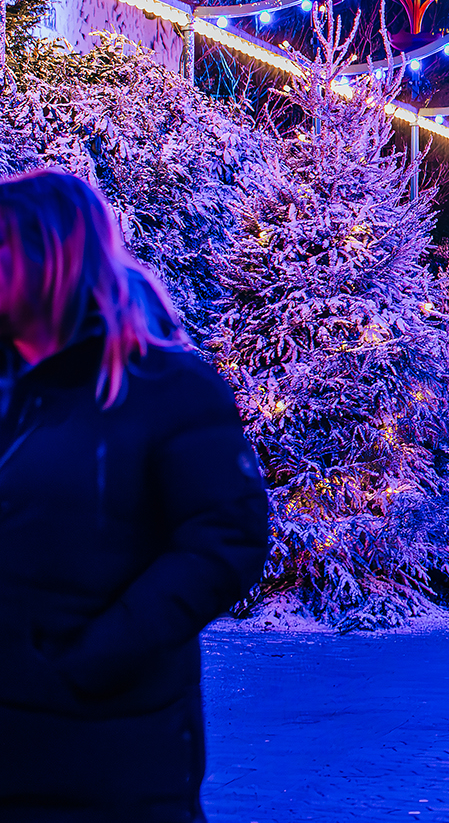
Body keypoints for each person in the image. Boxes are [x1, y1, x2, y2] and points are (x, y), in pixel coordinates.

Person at [0, 169, 270, 820]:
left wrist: (89, 659)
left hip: (109, 751)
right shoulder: (12, 395)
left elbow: (225, 538)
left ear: (50, 256)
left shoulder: (165, 387)